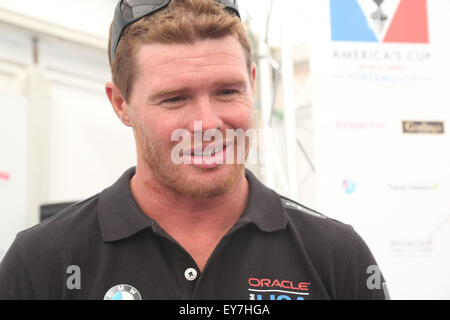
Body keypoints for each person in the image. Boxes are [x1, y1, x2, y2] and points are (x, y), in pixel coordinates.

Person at [0, 0, 389, 300]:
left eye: (227, 91)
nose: (207, 123)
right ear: (120, 104)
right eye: (174, 99)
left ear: (252, 84)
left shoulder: (336, 255)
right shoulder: (41, 261)